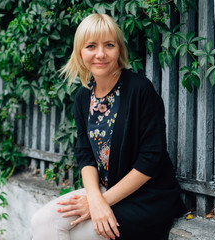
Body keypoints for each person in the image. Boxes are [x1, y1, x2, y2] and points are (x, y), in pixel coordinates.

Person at [31, 13, 185, 240]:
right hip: (106, 190)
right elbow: (85, 155)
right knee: (41, 222)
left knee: (75, 235)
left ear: (119, 50)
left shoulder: (140, 89)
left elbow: (151, 158)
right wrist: (95, 199)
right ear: (80, 52)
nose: (100, 54)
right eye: (91, 46)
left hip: (147, 198)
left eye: (109, 45)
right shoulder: (83, 97)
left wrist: (101, 203)